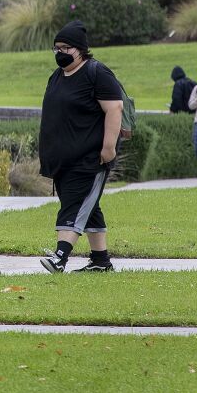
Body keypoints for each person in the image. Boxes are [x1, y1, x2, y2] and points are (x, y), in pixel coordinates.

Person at [37, 20, 124, 273]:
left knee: (74, 205)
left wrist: (109, 148)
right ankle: (100, 261)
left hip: (89, 158)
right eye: (56, 48)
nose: (60, 53)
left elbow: (114, 108)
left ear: (81, 50)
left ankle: (60, 257)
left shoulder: (97, 73)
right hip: (62, 159)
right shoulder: (57, 76)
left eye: (66, 48)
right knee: (89, 206)